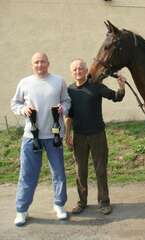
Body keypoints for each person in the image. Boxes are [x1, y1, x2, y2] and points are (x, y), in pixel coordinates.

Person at [11, 52, 71, 226]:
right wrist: (23, 110)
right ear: (32, 64)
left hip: (54, 136)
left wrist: (63, 108)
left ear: (48, 63)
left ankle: (59, 205)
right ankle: (22, 210)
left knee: (58, 172)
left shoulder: (58, 81)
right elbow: (15, 103)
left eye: (43, 62)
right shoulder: (24, 82)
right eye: (36, 62)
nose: (40, 65)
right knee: (27, 174)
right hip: (32, 136)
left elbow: (67, 101)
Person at [65, 58, 125, 215]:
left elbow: (116, 97)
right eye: (75, 70)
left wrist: (121, 87)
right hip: (79, 136)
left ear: (86, 71)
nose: (78, 71)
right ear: (72, 73)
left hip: (97, 134)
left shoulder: (96, 86)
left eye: (80, 68)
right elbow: (69, 116)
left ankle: (104, 202)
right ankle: (82, 202)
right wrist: (67, 134)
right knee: (80, 171)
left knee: (100, 170)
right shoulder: (70, 91)